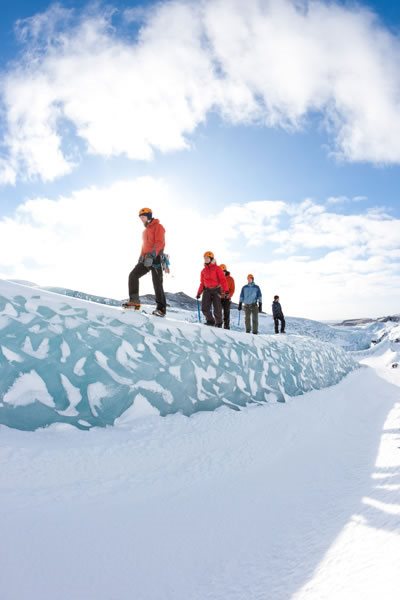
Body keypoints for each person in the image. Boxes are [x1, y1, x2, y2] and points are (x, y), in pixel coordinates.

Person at [122, 208, 167, 317]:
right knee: (133, 275)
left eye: (143, 216)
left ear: (149, 216)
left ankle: (161, 309)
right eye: (140, 217)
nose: (141, 219)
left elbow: (160, 242)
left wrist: (153, 254)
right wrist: (141, 257)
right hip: (145, 259)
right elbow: (143, 246)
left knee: (157, 283)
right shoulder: (145, 231)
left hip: (155, 258)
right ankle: (134, 301)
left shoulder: (158, 227)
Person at [196, 251, 228, 327]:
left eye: (207, 258)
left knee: (217, 309)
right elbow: (202, 283)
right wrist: (199, 293)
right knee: (204, 308)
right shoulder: (203, 271)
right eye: (205, 258)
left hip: (216, 290)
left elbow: (223, 280)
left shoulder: (217, 269)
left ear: (211, 258)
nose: (206, 259)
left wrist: (226, 290)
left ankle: (219, 323)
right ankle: (210, 321)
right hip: (207, 290)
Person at [219, 264, 235, 329]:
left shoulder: (230, 279)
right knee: (218, 312)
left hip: (227, 299)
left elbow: (232, 289)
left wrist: (228, 295)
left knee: (226, 313)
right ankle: (218, 325)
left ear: (225, 271)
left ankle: (226, 326)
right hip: (218, 298)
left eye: (223, 271)